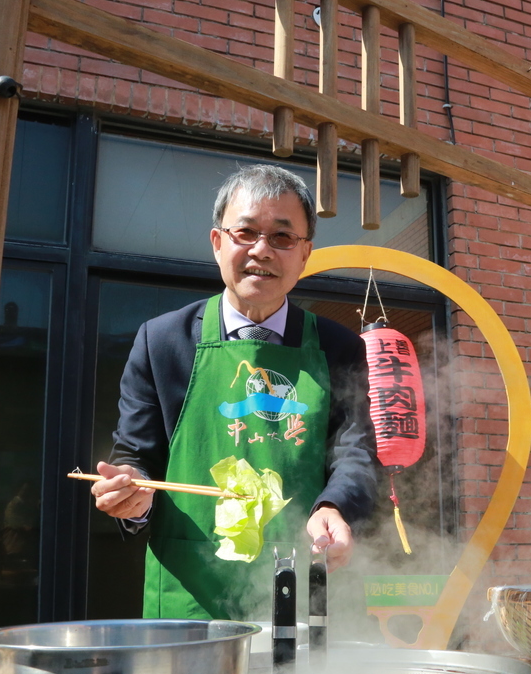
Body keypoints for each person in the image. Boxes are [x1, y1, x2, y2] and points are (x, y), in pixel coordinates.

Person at [90, 165, 377, 620]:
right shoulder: (162, 341)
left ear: (305, 255)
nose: (261, 250)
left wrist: (336, 507)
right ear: (218, 242)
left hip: (307, 581)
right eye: (245, 232)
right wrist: (132, 494)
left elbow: (355, 451)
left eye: (282, 238)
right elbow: (136, 452)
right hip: (193, 589)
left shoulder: (338, 347)